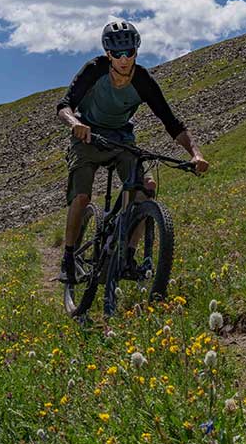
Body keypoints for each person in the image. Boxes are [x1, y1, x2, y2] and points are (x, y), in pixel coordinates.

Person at [56, 20, 208, 282]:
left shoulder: (143, 80)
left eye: (129, 53)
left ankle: (128, 256)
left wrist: (196, 154)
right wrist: (76, 124)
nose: (124, 59)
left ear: (136, 51)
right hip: (88, 135)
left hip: (121, 137)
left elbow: (171, 122)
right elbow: (64, 105)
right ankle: (68, 256)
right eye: (117, 54)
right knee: (81, 196)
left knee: (145, 188)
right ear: (108, 54)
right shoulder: (95, 70)